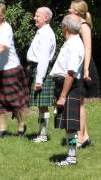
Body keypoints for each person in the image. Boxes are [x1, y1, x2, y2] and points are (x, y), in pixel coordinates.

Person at [0, 3, 29, 138]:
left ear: (2, 15)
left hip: (10, 68)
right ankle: (2, 128)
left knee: (14, 100)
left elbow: (3, 46)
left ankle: (21, 124)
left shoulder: (6, 28)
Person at [50, 14, 84, 166]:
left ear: (66, 28)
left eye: (62, 26)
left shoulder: (74, 45)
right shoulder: (71, 42)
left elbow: (71, 73)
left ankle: (71, 157)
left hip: (68, 87)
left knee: (71, 127)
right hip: (64, 86)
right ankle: (71, 156)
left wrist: (63, 96)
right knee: (68, 126)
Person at [69, 0, 100, 148]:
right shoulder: (76, 26)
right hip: (78, 65)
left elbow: (88, 49)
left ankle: (80, 138)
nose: (68, 9)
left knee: (79, 103)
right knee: (79, 102)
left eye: (71, 8)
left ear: (76, 11)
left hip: (84, 66)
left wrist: (86, 69)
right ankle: (85, 136)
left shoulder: (84, 26)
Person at [26, 7, 56, 143]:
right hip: (37, 69)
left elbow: (44, 58)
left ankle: (43, 134)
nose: (35, 18)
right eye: (35, 15)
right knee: (40, 105)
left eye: (38, 16)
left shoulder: (45, 34)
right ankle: (41, 132)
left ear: (46, 18)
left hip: (40, 70)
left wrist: (39, 80)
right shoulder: (42, 32)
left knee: (42, 105)